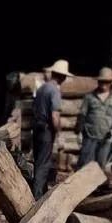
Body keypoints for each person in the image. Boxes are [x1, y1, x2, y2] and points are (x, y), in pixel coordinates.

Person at [31, 59, 73, 199]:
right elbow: (55, 116)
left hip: (37, 127)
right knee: (43, 164)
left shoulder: (42, 88)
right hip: (46, 130)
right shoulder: (54, 91)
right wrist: (59, 132)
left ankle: (41, 192)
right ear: (62, 76)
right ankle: (36, 197)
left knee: (39, 161)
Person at [75, 67, 112, 170]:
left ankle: (97, 186)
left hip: (105, 137)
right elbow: (82, 115)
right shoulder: (89, 97)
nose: (103, 84)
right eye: (101, 82)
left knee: (100, 166)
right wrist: (79, 131)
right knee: (84, 164)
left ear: (110, 83)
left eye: (106, 82)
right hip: (89, 135)